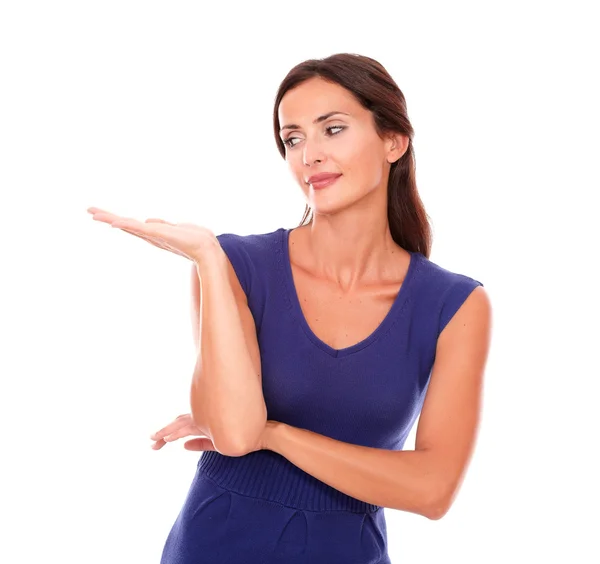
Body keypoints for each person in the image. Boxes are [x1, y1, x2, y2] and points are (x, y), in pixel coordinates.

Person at [88, 53, 492, 564]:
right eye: (293, 139)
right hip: (216, 545)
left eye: (334, 129)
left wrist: (277, 435)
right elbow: (234, 436)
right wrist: (210, 258)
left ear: (393, 141)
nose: (309, 155)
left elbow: (432, 490)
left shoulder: (454, 304)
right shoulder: (235, 264)